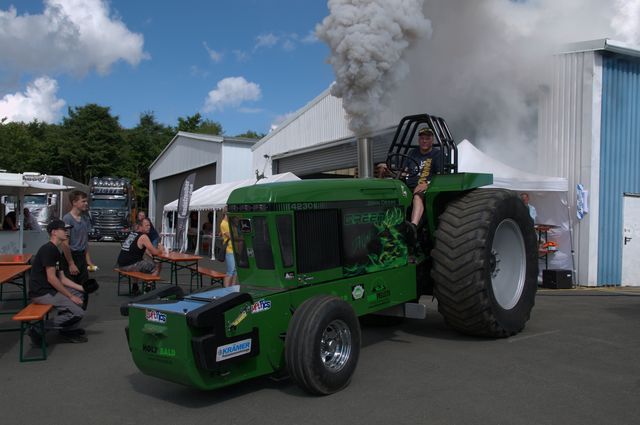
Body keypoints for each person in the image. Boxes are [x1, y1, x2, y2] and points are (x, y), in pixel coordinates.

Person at [28, 219, 88, 344]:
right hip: (42, 293)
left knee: (80, 295)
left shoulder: (56, 250)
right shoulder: (48, 249)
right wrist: (70, 296)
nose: (67, 232)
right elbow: (51, 278)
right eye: (64, 230)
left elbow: (62, 278)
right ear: (54, 232)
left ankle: (68, 330)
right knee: (78, 312)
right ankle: (39, 328)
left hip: (50, 290)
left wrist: (81, 288)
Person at [405, 127, 443, 240]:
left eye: (427, 138)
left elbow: (441, 175)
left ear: (432, 140)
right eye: (422, 138)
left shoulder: (437, 154)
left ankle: (413, 227)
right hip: (409, 186)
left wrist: (427, 184)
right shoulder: (412, 153)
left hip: (428, 188)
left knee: (418, 195)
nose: (424, 141)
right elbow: (406, 170)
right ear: (419, 140)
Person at [117, 218, 164, 294]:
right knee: (157, 266)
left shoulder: (132, 234)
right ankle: (148, 288)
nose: (149, 227)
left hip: (121, 264)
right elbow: (155, 252)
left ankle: (135, 287)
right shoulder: (143, 237)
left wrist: (152, 257)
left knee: (140, 261)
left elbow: (145, 250)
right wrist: (161, 249)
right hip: (130, 265)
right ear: (140, 226)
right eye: (146, 225)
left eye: (149, 225)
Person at [61, 190, 96, 286]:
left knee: (84, 287)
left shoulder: (85, 218)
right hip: (71, 256)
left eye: (86, 201)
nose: (86, 203)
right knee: (73, 288)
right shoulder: (67, 219)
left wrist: (88, 261)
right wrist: (71, 264)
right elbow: (64, 244)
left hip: (81, 257)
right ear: (74, 203)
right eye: (83, 201)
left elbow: (85, 242)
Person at [219, 208, 237, 287]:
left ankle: (232, 287)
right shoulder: (224, 224)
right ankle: (226, 289)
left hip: (234, 249)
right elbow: (232, 236)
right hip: (229, 250)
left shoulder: (229, 223)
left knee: (235, 271)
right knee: (230, 271)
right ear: (227, 213)